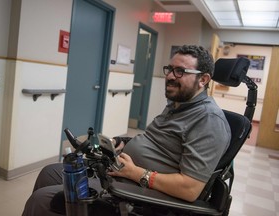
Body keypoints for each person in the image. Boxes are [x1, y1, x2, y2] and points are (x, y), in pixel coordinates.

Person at [22, 45, 231, 216]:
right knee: (49, 173)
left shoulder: (208, 120)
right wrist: (123, 143)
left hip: (139, 195)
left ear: (203, 80)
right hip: (119, 174)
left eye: (180, 71)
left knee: (43, 201)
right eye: (169, 69)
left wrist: (136, 173)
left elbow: (190, 188)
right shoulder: (177, 105)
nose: (170, 76)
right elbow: (157, 143)